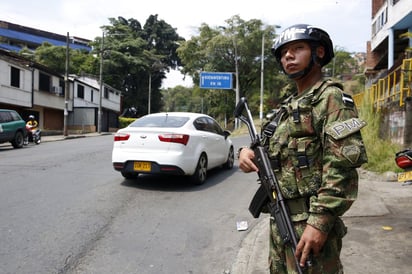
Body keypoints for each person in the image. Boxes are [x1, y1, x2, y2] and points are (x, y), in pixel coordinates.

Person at [238, 24, 368, 274]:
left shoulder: (331, 99)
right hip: (280, 219)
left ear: (319, 53)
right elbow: (262, 146)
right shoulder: (288, 107)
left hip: (310, 224)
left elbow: (341, 168)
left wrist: (319, 223)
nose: (288, 56)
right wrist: (244, 152)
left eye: (298, 48)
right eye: (284, 52)